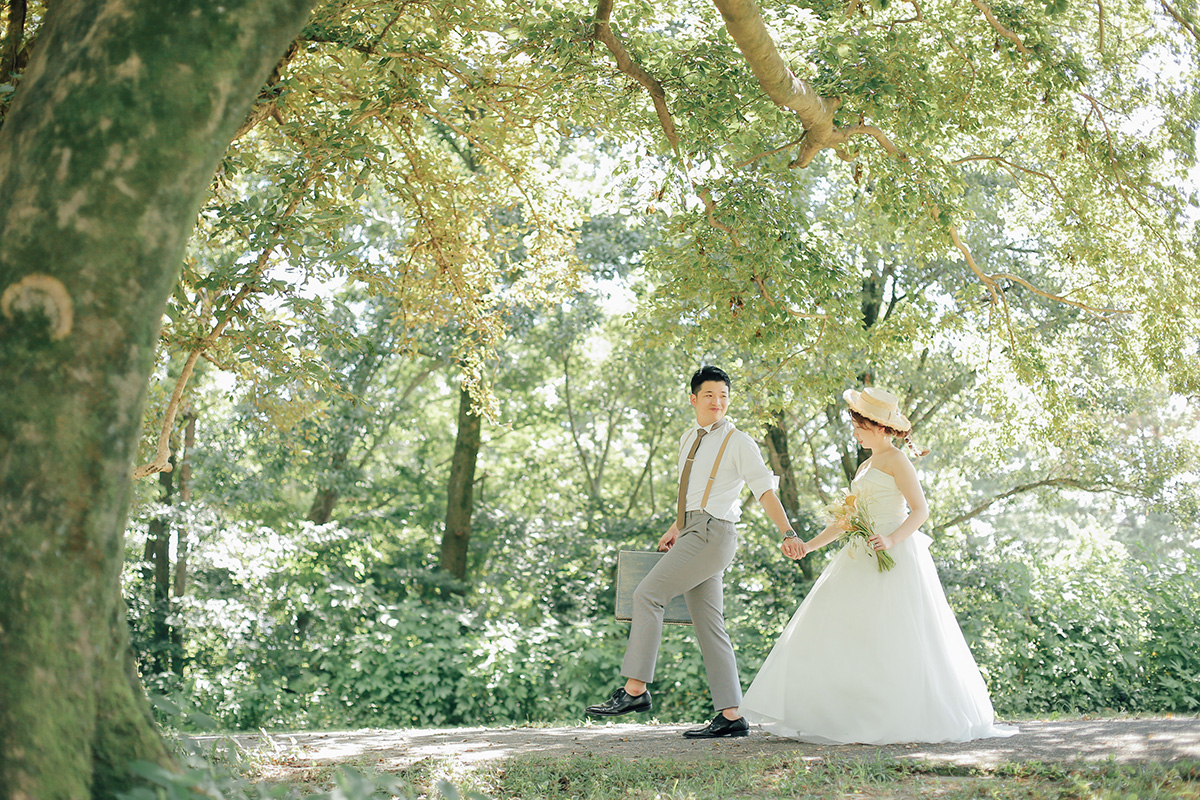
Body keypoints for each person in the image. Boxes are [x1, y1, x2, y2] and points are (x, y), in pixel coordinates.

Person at [742, 386, 1018, 744]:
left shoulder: (896, 460)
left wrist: (890, 539)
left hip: (893, 553)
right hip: (860, 553)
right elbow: (847, 519)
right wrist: (809, 546)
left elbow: (920, 511)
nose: (854, 430)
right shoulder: (866, 465)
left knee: (896, 635)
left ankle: (895, 715)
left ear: (880, 427)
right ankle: (846, 714)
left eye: (859, 424)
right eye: (854, 423)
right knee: (844, 632)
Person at [585, 366, 804, 739]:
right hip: (693, 531)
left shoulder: (739, 442)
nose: (717, 402)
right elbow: (695, 493)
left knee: (648, 595)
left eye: (723, 395)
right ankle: (731, 715)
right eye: (709, 395)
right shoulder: (689, 438)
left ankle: (635, 690)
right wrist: (676, 528)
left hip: (712, 534)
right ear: (693, 399)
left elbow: (763, 490)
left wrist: (787, 531)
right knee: (709, 624)